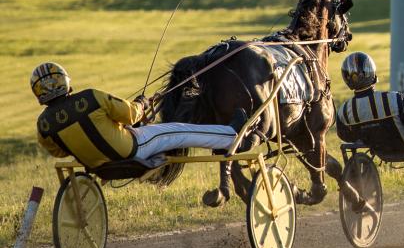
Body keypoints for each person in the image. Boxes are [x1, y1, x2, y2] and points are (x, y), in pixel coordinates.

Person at [32, 62, 250, 169]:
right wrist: (142, 102)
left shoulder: (43, 125)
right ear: (65, 81)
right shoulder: (90, 98)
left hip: (97, 166)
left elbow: (59, 152)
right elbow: (131, 114)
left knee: (170, 132)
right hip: (131, 149)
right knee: (178, 130)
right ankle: (231, 135)